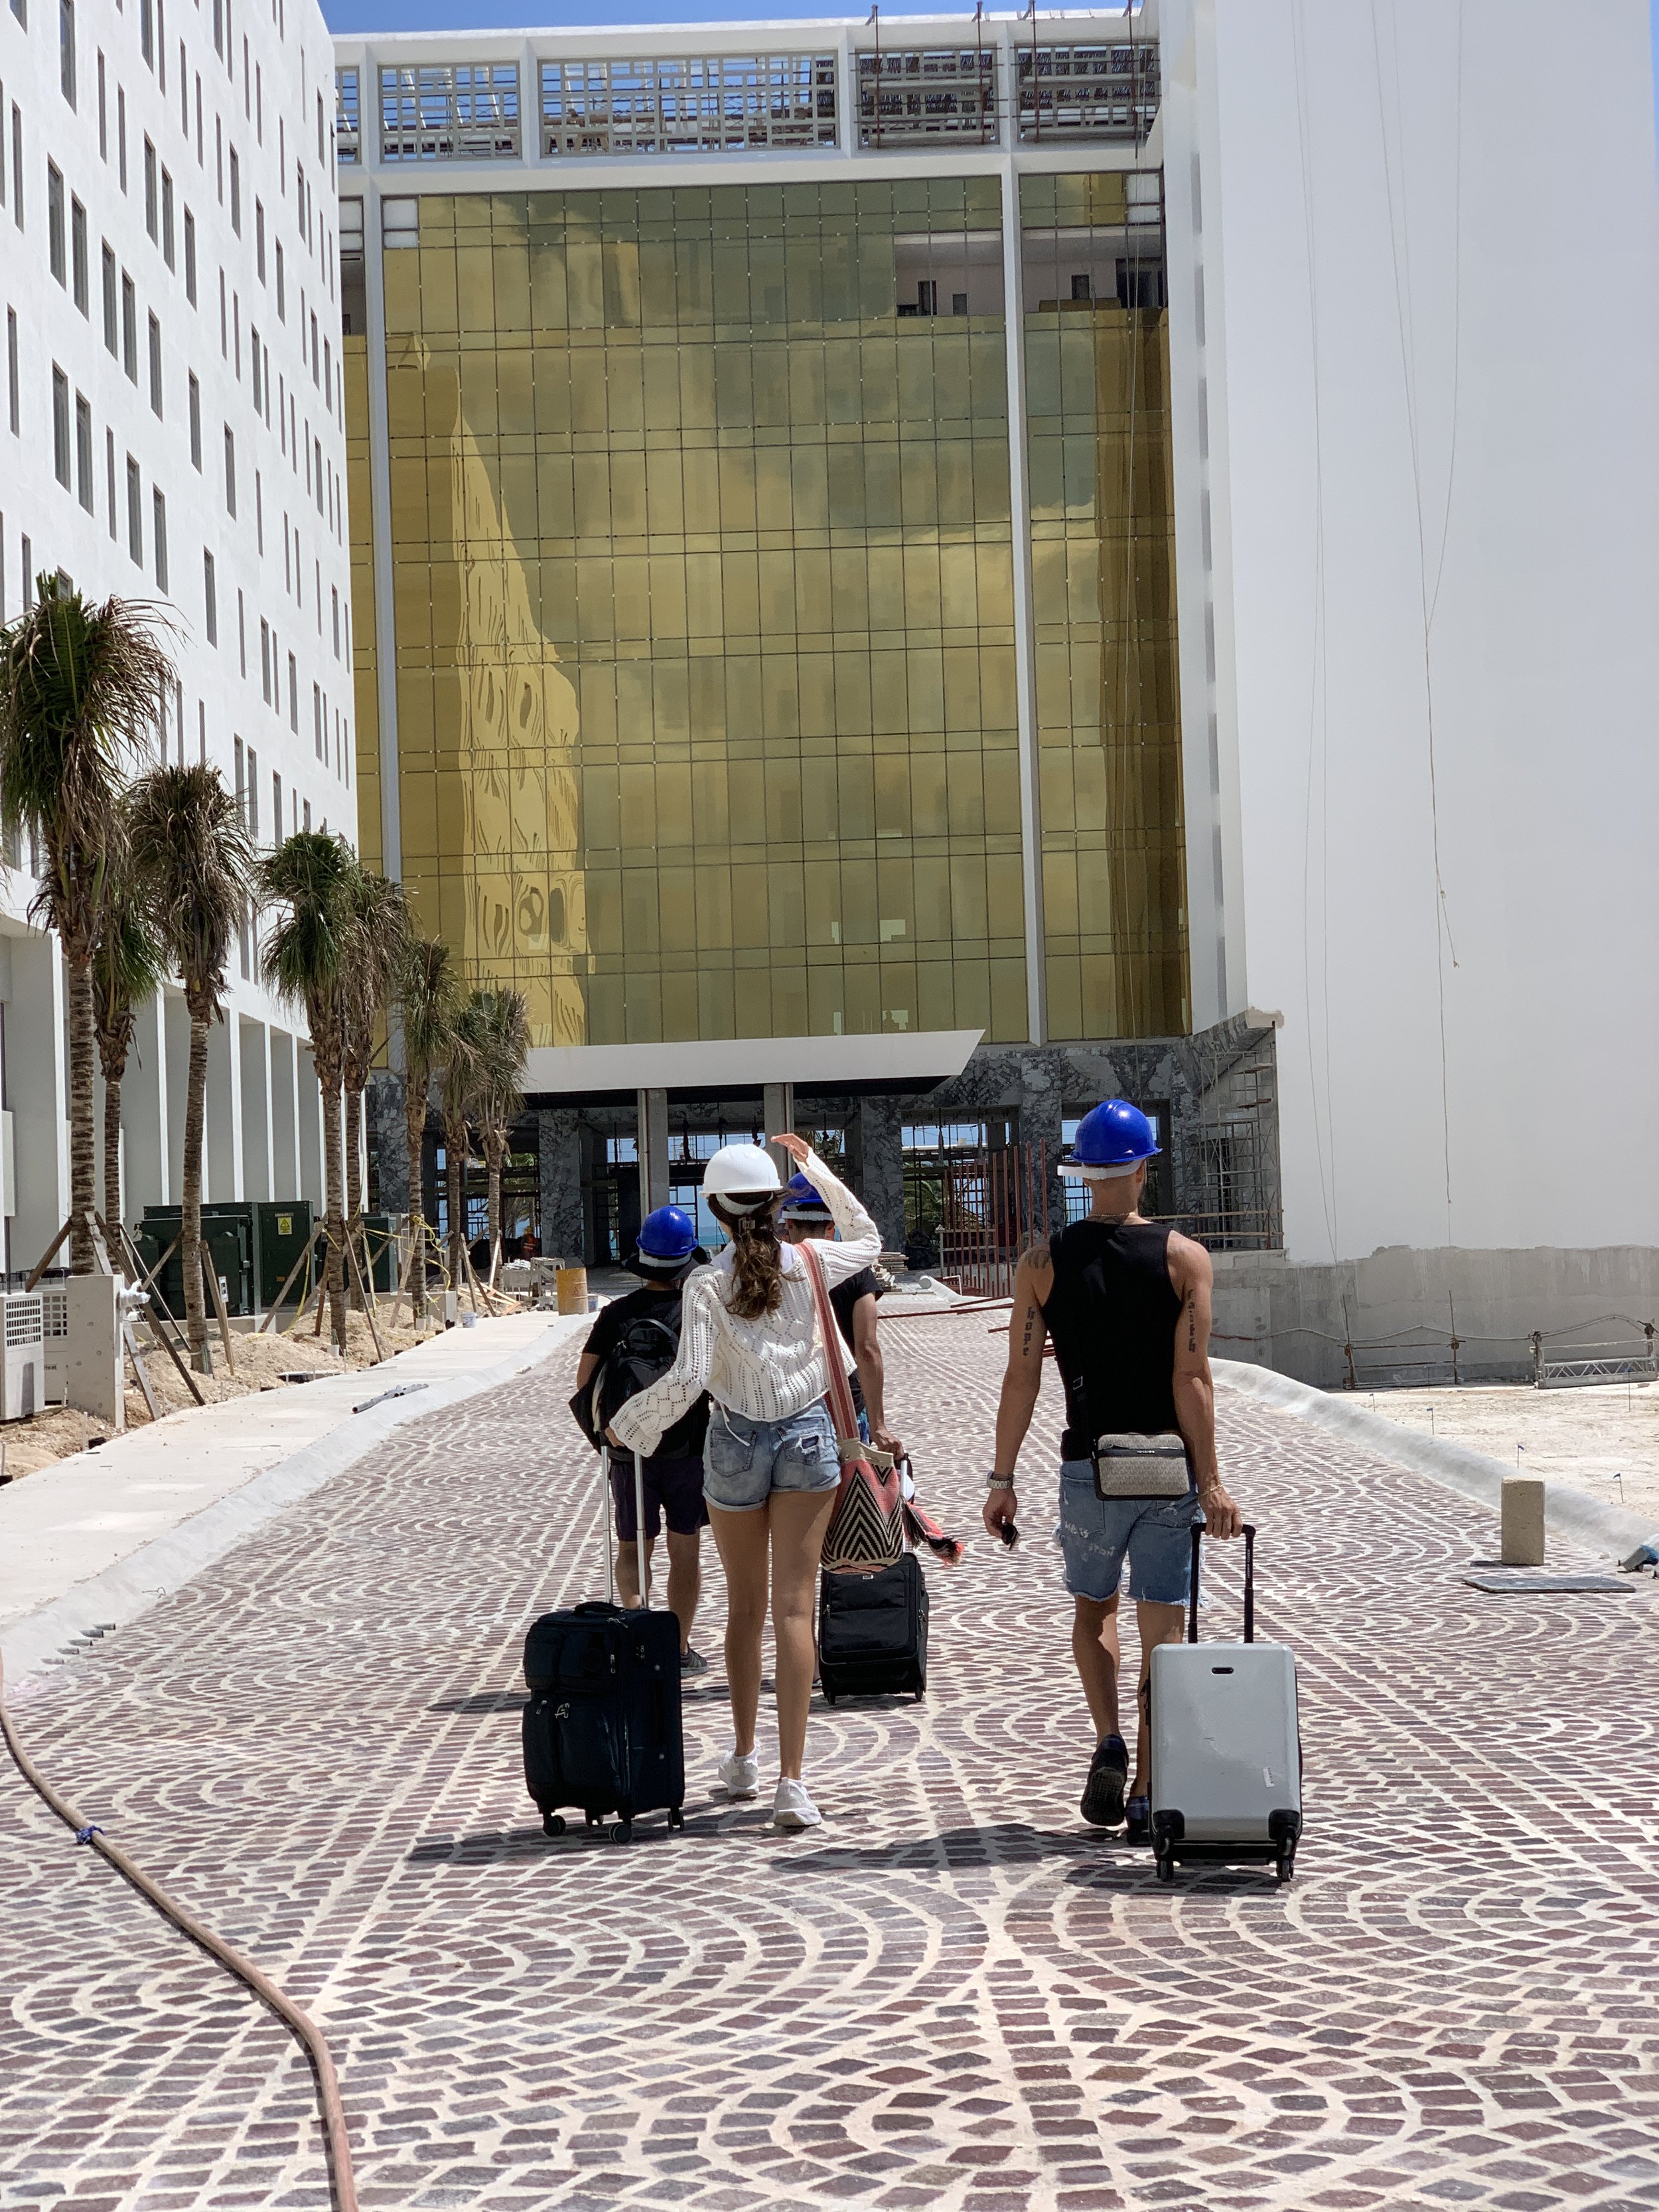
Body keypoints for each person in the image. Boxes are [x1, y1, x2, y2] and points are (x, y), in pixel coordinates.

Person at [981, 1098, 1244, 1844]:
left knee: (1092, 1610)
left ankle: (1106, 1736)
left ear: (1083, 1175)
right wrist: (1213, 1480)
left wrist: (1001, 1480)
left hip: (1088, 1470)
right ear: (1142, 1167)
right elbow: (1192, 1378)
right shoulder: (1184, 1259)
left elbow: (1021, 1380)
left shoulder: (1040, 1264)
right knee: (1162, 1622)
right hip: (1165, 1469)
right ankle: (1147, 1786)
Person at [609, 1134, 880, 1831]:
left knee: (744, 1608)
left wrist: (630, 1425)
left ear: (715, 1210)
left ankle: (742, 1757)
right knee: (795, 1607)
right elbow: (870, 1238)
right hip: (810, 1439)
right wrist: (816, 1165)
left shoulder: (705, 1282)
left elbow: (692, 1379)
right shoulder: (814, 1261)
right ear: (776, 1204)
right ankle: (794, 1783)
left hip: (732, 1441)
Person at [575, 1205, 713, 1676]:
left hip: (628, 1455)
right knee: (685, 1551)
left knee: (634, 1548)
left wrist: (608, 1442)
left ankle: (637, 1643)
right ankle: (676, 1648)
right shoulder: (695, 1316)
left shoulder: (616, 1315)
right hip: (686, 1451)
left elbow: (584, 1385)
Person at [777, 1172, 903, 1459]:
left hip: (793, 1409)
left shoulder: (777, 1276)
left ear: (789, 1225)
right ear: (832, 1226)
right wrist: (879, 1425)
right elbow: (868, 1349)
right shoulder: (856, 1272)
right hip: (846, 1407)